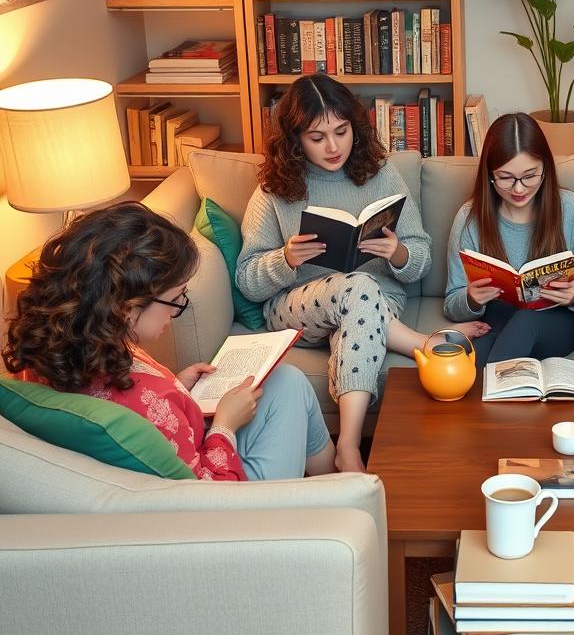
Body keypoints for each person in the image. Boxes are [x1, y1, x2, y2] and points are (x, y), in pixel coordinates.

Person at [236, 74, 487, 473]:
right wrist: (285, 259)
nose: (334, 146)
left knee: (360, 301)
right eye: (318, 137)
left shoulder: (380, 174)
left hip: (375, 307)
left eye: (342, 131)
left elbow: (419, 259)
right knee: (357, 287)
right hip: (296, 309)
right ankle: (420, 346)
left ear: (356, 125)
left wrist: (399, 253)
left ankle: (347, 447)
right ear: (295, 138)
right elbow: (248, 280)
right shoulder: (273, 189)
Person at [3, 202, 335, 482]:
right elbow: (207, 494)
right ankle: (325, 500)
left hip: (187, 447)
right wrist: (224, 425)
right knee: (291, 388)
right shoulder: (143, 404)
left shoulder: (63, 344)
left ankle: (334, 485)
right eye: (175, 299)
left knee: (287, 380)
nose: (176, 312)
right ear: (127, 308)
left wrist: (178, 385)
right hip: (229, 500)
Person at [443, 113, 574, 364]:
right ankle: (499, 396)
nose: (518, 189)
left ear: (546, 168)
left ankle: (494, 397)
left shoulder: (572, 209)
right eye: (506, 178)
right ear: (489, 174)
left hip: (558, 321)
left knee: (525, 321)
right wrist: (471, 299)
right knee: (471, 357)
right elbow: (452, 303)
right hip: (497, 320)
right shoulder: (470, 218)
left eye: (530, 176)